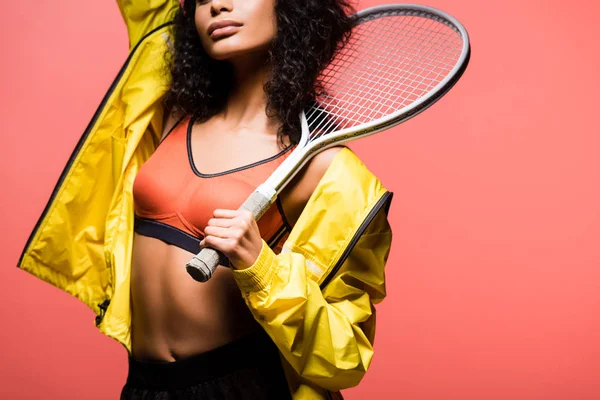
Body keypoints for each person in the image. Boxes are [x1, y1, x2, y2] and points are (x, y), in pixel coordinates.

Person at [17, 0, 394, 399]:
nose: (217, 4)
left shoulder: (326, 169)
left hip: (243, 386)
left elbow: (345, 356)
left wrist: (260, 265)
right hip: (144, 386)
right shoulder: (168, 105)